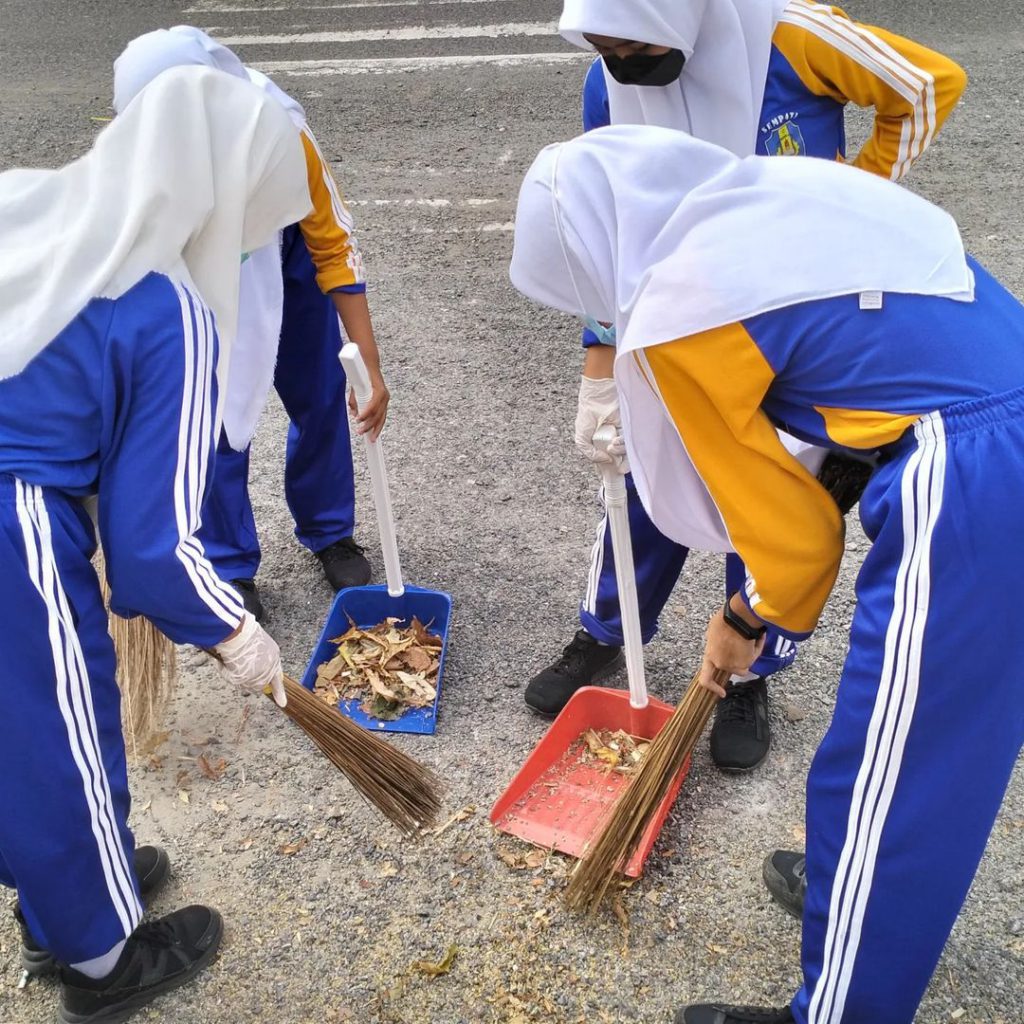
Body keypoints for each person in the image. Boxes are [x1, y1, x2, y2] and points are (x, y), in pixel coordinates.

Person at [510, 123, 1024, 1024]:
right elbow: (855, 367)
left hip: (979, 472)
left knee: (886, 783)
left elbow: (795, 542)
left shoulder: (682, 308)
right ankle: (855, 893)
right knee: (932, 765)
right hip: (1000, 406)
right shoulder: (761, 200)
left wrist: (747, 619)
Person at [526, 0, 967, 774]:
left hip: (795, 315)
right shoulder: (607, 83)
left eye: (633, 46)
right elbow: (608, 228)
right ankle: (604, 631)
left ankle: (749, 672)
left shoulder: (790, 34)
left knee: (775, 491)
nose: (622, 65)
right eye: (603, 46)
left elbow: (928, 85)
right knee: (646, 476)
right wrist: (601, 364)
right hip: (681, 318)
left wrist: (855, 202)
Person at [0, 66, 307, 1023]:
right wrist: (234, 632)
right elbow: (150, 552)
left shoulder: (35, 204)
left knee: (10, 731)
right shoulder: (166, 306)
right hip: (11, 521)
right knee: (59, 732)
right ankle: (98, 958)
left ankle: (60, 887)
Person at [112, 26, 390, 621]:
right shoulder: (132, 158)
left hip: (287, 244)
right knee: (213, 402)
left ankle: (329, 529)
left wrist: (366, 356)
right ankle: (229, 560)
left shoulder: (280, 132)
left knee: (319, 387)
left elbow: (334, 244)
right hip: (203, 266)